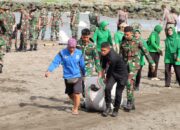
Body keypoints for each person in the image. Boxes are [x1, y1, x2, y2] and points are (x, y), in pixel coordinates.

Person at [45, 38, 85, 115]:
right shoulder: (62, 53)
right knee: (70, 94)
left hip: (78, 75)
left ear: (75, 46)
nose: (72, 49)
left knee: (77, 93)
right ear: (67, 46)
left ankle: (75, 108)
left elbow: (82, 65)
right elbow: (55, 62)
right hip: (67, 76)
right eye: (70, 47)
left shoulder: (79, 53)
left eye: (73, 47)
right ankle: (77, 103)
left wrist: (84, 73)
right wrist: (49, 71)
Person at [120, 26, 155, 112]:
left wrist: (152, 63)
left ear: (131, 33)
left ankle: (129, 102)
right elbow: (120, 55)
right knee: (128, 83)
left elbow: (146, 52)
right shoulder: (123, 42)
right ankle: (132, 102)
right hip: (125, 65)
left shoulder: (138, 41)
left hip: (134, 65)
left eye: (127, 34)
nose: (125, 36)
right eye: (124, 34)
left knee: (129, 82)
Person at [76, 28, 102, 98]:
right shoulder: (77, 44)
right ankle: (83, 97)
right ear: (81, 36)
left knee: (86, 82)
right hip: (78, 66)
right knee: (80, 83)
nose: (86, 39)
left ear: (89, 36)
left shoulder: (92, 45)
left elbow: (96, 58)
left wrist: (99, 70)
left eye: (87, 37)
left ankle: (86, 99)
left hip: (88, 66)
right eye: (84, 37)